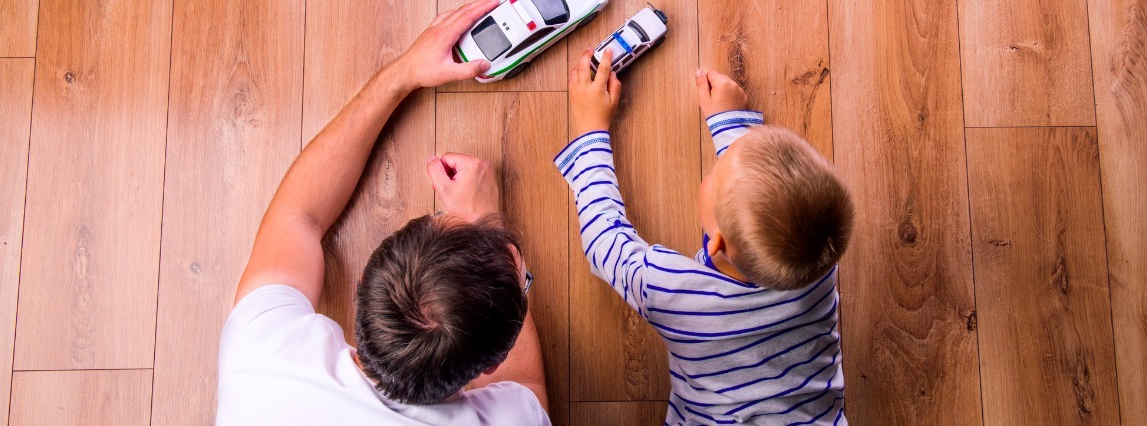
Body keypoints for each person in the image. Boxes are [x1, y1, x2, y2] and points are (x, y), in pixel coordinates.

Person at [216, 1, 549, 424]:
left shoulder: (261, 356)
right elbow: (529, 392)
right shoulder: (515, 420)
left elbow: (296, 215)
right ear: (492, 365)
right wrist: (485, 221)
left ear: (362, 288)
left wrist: (402, 74)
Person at [559, 50, 854, 424]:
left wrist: (590, 128)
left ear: (716, 244)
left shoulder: (672, 294)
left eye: (715, 175)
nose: (718, 166)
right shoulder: (819, 256)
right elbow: (772, 203)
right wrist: (730, 122)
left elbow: (605, 240)